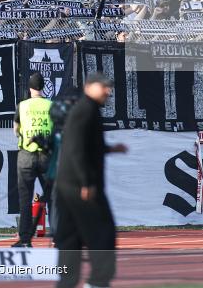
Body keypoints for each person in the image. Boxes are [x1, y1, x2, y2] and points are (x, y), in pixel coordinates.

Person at [55, 74, 128, 288]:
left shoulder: (87, 110)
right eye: (104, 87)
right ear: (89, 87)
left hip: (67, 184)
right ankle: (98, 281)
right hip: (79, 186)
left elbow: (85, 146)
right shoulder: (85, 110)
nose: (108, 91)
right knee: (103, 233)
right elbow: (76, 150)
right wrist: (86, 182)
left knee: (70, 239)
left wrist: (110, 149)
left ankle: (66, 283)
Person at [13, 73, 53, 247]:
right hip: (47, 155)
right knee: (52, 198)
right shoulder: (51, 105)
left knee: (25, 199)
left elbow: (16, 130)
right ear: (43, 87)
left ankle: (24, 240)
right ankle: (58, 238)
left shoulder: (22, 106)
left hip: (27, 155)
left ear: (29, 88)